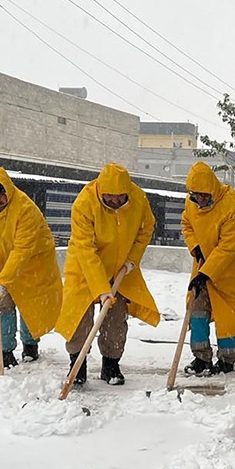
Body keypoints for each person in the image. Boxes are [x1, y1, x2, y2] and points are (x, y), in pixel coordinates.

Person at [55, 163, 161, 386]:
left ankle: (111, 364)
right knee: (78, 318)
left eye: (119, 197)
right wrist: (102, 290)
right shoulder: (84, 203)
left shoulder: (138, 199)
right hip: (84, 268)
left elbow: (146, 229)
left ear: (127, 192)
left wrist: (132, 260)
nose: (114, 201)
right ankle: (77, 363)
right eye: (109, 197)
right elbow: (85, 249)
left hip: (121, 268)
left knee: (115, 320)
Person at [0, 168, 63, 369]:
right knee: (3, 306)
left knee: (29, 304)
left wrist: (3, 282)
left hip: (32, 262)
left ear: (8, 190)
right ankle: (5, 352)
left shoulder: (25, 208)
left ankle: (30, 345)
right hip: (0, 261)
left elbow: (22, 250)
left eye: (1, 194)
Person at [180, 162, 235, 375]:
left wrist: (206, 272)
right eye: (196, 195)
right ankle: (201, 357)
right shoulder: (191, 204)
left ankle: (227, 359)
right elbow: (187, 224)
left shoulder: (232, 206)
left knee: (227, 315)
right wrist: (195, 247)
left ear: (212, 189)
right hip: (203, 265)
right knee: (197, 310)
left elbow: (229, 247)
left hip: (230, 270)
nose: (200, 200)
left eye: (204, 195)